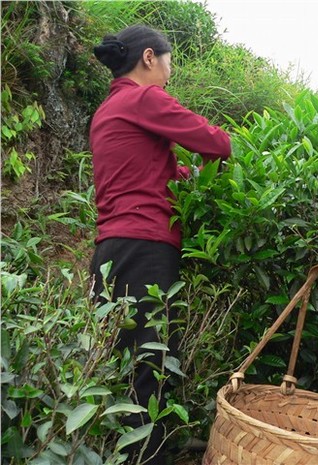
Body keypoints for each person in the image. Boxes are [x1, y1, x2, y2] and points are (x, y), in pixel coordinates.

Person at [89, 25, 231, 464]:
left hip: (112, 251)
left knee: (123, 360)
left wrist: (183, 176)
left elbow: (143, 172)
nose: (170, 72)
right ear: (149, 58)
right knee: (149, 362)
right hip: (145, 246)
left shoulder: (109, 109)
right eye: (169, 62)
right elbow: (217, 143)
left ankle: (133, 448)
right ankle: (147, 458)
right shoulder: (144, 99)